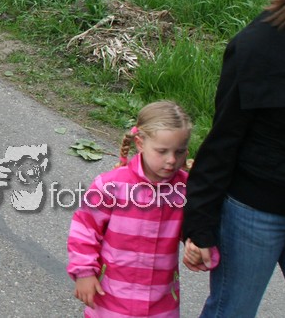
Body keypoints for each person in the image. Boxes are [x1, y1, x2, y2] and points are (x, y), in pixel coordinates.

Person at [182, 0, 285, 317]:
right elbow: (224, 139)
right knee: (231, 310)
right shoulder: (256, 48)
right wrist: (199, 223)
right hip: (253, 214)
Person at [67, 100, 192, 316]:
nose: (171, 160)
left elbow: (198, 228)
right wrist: (84, 272)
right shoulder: (111, 186)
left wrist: (200, 247)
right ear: (140, 144)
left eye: (179, 152)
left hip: (161, 302)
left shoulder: (186, 189)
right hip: (112, 299)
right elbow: (84, 229)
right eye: (162, 151)